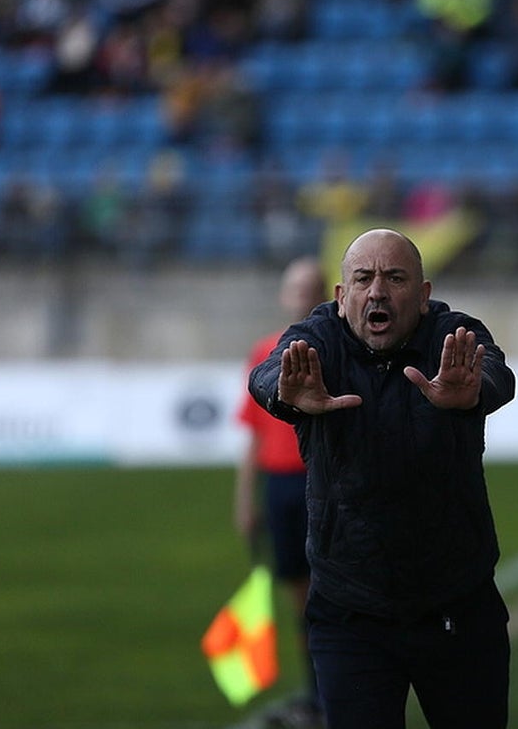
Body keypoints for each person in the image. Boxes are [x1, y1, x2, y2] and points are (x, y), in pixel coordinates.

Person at [248, 228, 515, 728]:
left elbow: (497, 371)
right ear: (342, 296)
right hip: (350, 615)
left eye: (395, 277)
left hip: (457, 606)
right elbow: (267, 373)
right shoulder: (318, 337)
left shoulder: (450, 334)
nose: (378, 291)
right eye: (364, 278)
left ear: (423, 294)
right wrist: (285, 394)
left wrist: (473, 392)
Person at [235, 257, 328, 728]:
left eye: (310, 288)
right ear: (284, 295)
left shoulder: (334, 350)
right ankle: (317, 694)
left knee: (331, 592)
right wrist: (245, 500)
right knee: (300, 595)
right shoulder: (264, 352)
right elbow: (252, 431)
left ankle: (334, 691)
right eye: (295, 288)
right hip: (281, 486)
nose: (301, 296)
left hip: (323, 482)